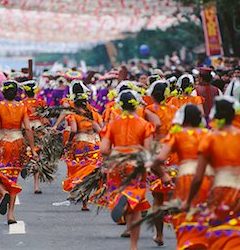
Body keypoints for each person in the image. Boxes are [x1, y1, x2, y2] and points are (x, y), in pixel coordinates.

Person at [183, 98, 240, 250]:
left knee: (220, 240)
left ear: (215, 116)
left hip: (221, 196)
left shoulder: (209, 139)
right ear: (234, 116)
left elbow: (198, 177)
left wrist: (188, 202)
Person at [152, 104, 212, 249]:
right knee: (207, 219)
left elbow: (157, 161)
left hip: (186, 179)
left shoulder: (177, 135)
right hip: (209, 180)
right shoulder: (209, 134)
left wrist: (164, 176)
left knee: (185, 217)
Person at [100, 90, 154, 250]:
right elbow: (148, 151)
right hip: (136, 163)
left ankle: (121, 201)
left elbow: (103, 149)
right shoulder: (144, 125)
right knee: (136, 206)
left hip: (116, 164)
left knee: (121, 192)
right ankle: (133, 246)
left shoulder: (113, 124)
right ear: (136, 105)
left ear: (120, 105)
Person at [0, 81, 38, 225]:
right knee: (13, 179)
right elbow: (28, 129)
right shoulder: (22, 107)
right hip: (18, 144)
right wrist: (32, 149)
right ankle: (11, 215)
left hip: (2, 143)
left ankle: (3, 193)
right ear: (16, 93)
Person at [144, 80, 177, 246]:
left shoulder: (149, 110)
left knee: (157, 197)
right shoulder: (174, 109)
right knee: (173, 194)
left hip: (158, 153)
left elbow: (154, 125)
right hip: (174, 152)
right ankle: (182, 235)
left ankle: (159, 235)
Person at [62, 85, 103, 211]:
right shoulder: (93, 114)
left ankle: (83, 199)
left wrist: (68, 142)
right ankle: (87, 199)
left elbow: (73, 130)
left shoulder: (74, 115)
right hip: (95, 146)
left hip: (80, 146)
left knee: (80, 171)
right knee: (91, 171)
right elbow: (101, 129)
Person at [21, 80, 49, 194]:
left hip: (25, 128)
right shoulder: (41, 102)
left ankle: (26, 164)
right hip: (38, 129)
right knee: (37, 155)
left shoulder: (21, 103)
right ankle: (36, 185)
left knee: (26, 152)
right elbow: (45, 119)